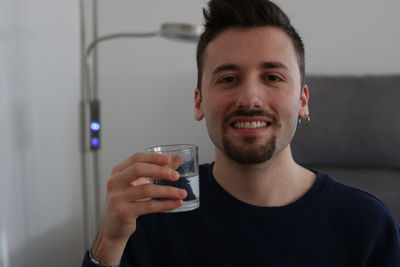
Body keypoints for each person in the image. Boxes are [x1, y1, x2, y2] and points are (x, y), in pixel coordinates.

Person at [81, 0, 400, 266]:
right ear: (199, 101)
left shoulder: (368, 225)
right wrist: (108, 241)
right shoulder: (152, 215)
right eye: (228, 79)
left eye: (273, 77)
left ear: (302, 101)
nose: (249, 98)